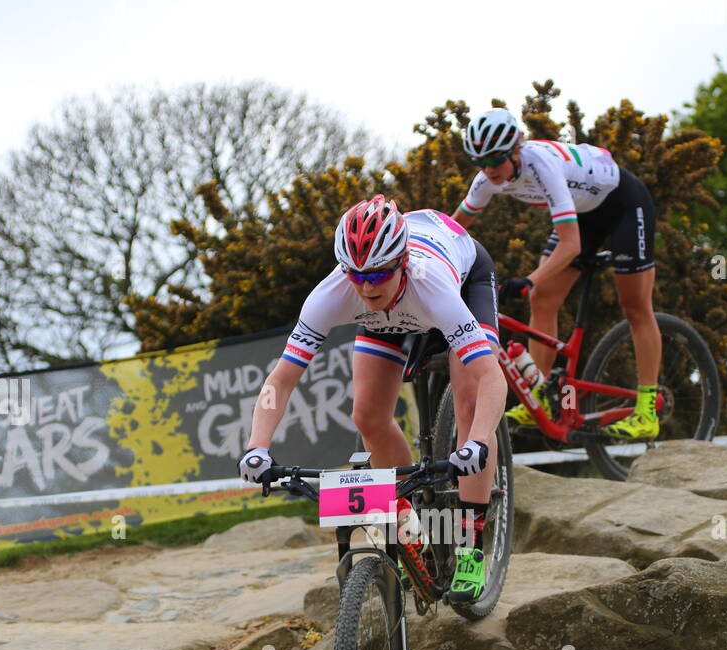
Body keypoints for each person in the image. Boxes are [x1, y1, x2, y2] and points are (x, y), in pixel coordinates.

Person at [238, 195, 507, 602]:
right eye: (356, 275)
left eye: (377, 274)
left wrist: (479, 441)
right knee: (366, 415)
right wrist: (257, 446)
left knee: (469, 407)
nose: (366, 286)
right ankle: (408, 527)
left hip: (463, 280)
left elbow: (491, 377)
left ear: (401, 262)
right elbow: (283, 378)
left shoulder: (432, 285)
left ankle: (470, 550)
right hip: (389, 317)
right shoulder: (335, 293)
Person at [451, 108, 662, 439]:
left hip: (623, 204)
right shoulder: (486, 181)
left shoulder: (541, 164)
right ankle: (545, 397)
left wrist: (529, 278)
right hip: (584, 213)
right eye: (481, 162)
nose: (489, 169)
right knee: (543, 298)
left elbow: (570, 244)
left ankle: (647, 410)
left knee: (634, 305)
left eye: (496, 159)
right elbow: (454, 229)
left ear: (515, 150)